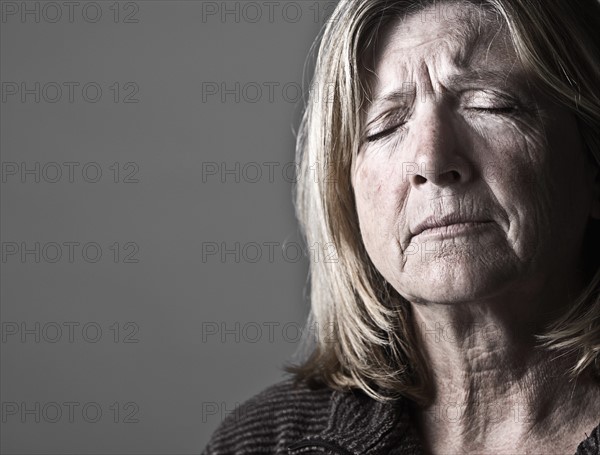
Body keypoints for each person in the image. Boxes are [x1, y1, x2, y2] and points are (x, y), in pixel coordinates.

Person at [202, 0, 600, 453]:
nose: (431, 161)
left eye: (489, 105)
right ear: (347, 198)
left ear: (593, 165)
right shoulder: (265, 443)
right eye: (385, 127)